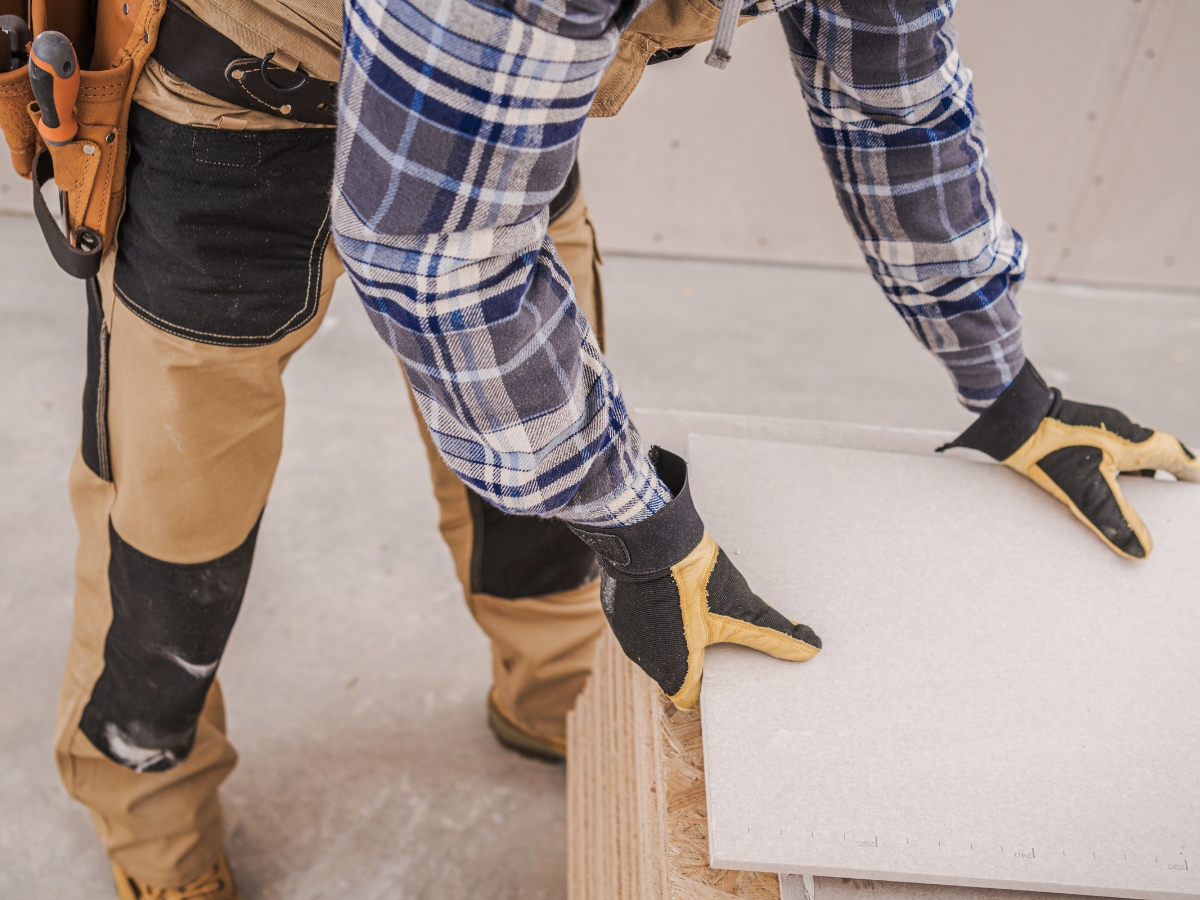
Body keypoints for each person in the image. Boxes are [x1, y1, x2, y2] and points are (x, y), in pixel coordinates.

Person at [2, 0, 1194, 898]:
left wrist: (1006, 382)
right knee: (174, 516)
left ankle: (556, 695)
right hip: (242, 107)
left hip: (497, 106)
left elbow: (895, 97)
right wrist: (643, 526)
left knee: (546, 449)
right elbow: (432, 257)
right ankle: (148, 809)